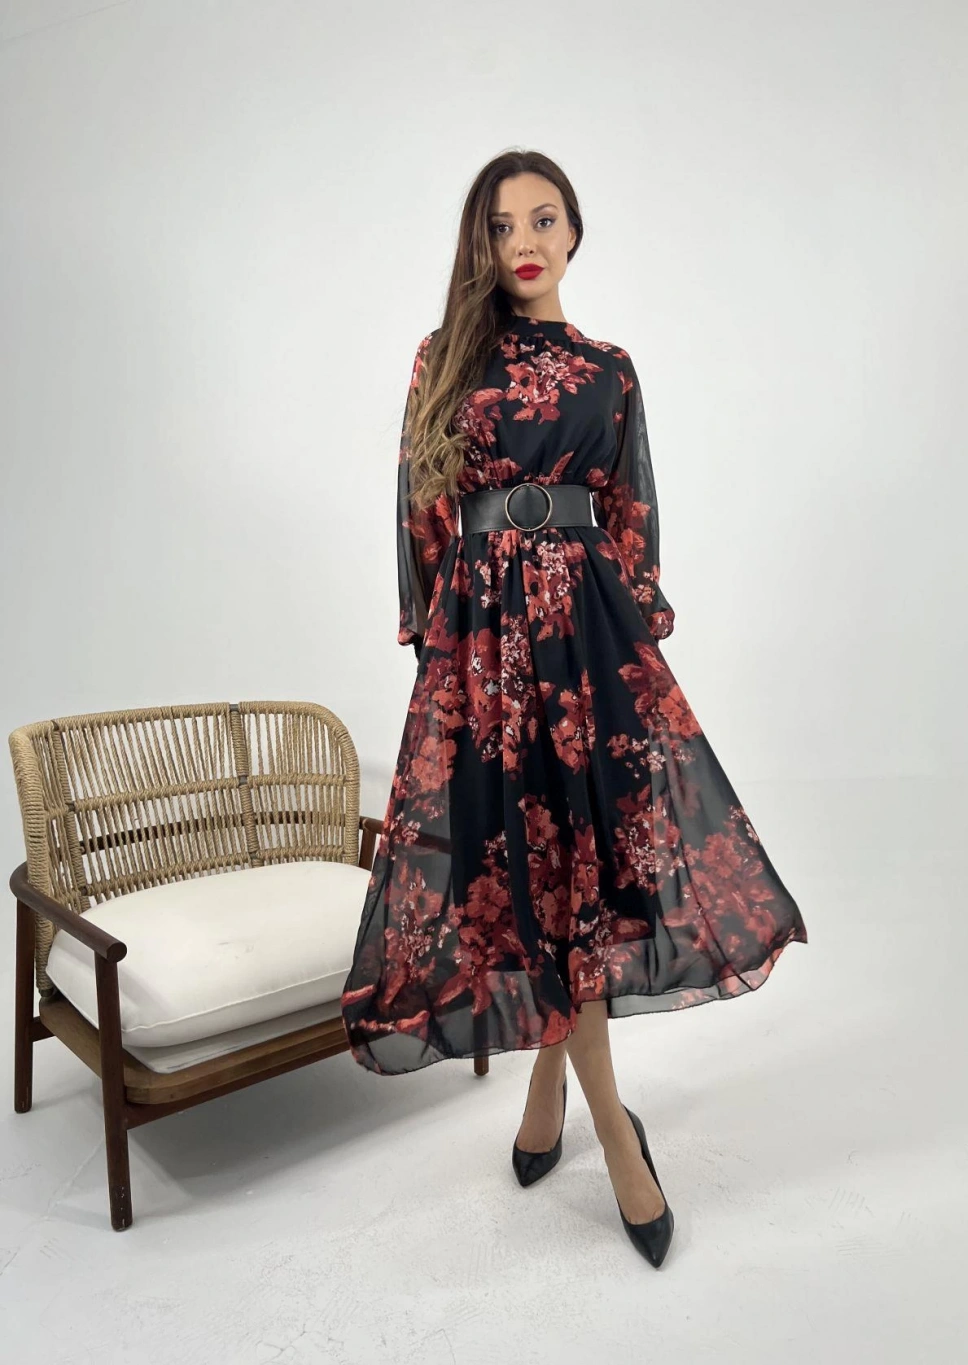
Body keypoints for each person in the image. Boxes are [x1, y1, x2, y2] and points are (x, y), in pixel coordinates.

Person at [340, 149, 808, 1268]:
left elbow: (633, 518)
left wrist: (632, 646)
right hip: (485, 650)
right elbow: (421, 518)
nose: (524, 243)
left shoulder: (611, 371)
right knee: (535, 875)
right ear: (481, 246)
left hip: (588, 644)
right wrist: (441, 660)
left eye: (543, 219)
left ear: (574, 231)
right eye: (502, 227)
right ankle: (609, 1129)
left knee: (576, 878)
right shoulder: (443, 361)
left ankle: (565, 1106)